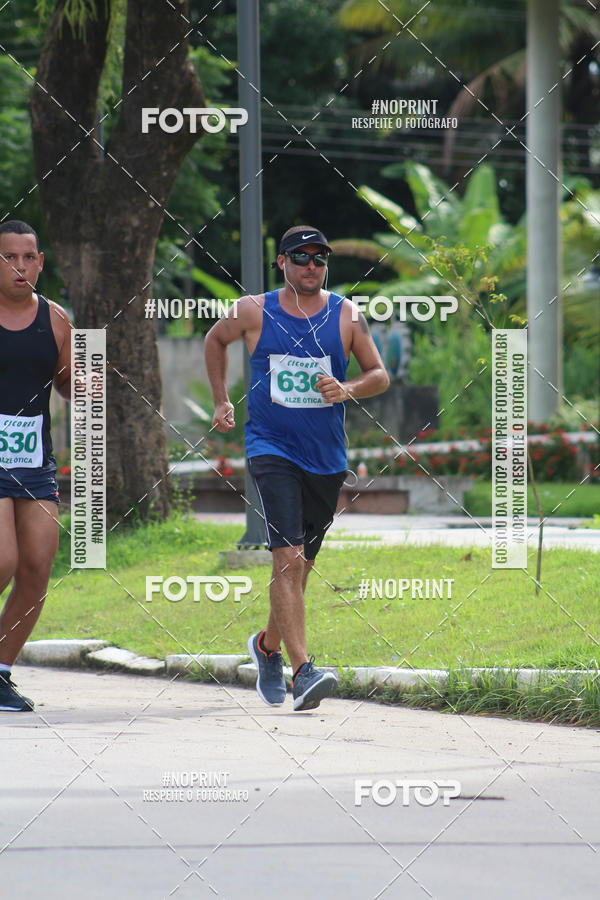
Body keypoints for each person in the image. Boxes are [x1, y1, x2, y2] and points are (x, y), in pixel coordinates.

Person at [205, 225, 389, 710]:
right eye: (301, 257)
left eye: (319, 258)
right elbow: (214, 340)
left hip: (326, 458)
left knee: (300, 568)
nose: (311, 266)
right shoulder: (253, 310)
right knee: (286, 560)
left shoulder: (346, 315)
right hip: (271, 448)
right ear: (282, 262)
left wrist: (347, 389)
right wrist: (221, 399)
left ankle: (267, 647)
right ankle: (304, 672)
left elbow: (379, 375)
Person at [0, 220, 72, 711]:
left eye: (28, 258)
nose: (20, 267)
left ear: (41, 263)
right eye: (9, 257)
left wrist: (83, 385)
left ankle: (0, 670)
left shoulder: (57, 320)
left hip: (33, 460)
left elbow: (67, 382)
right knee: (2, 559)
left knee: (37, 566)